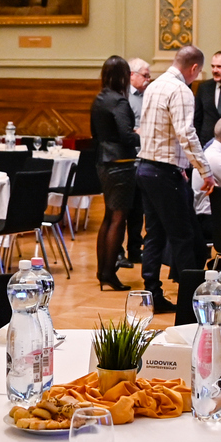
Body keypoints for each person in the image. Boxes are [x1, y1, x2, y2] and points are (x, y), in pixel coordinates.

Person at [135, 45, 214, 313]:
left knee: (154, 235)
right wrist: (205, 170)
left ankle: (152, 294)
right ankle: (191, 302)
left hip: (146, 168)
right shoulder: (181, 90)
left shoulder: (154, 85)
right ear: (194, 68)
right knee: (184, 236)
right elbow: (185, 133)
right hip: (164, 173)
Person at [89, 55, 140, 292]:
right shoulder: (119, 101)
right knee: (119, 219)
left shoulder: (99, 99)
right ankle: (109, 272)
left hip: (103, 161)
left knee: (109, 217)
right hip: (121, 163)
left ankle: (103, 271)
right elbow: (126, 136)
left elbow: (96, 133)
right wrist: (143, 134)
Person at [125, 57, 152, 264]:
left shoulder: (149, 95)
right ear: (132, 75)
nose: (148, 79)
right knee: (124, 208)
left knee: (138, 209)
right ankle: (117, 251)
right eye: (145, 75)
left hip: (145, 157)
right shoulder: (123, 97)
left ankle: (135, 248)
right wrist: (137, 132)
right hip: (127, 158)